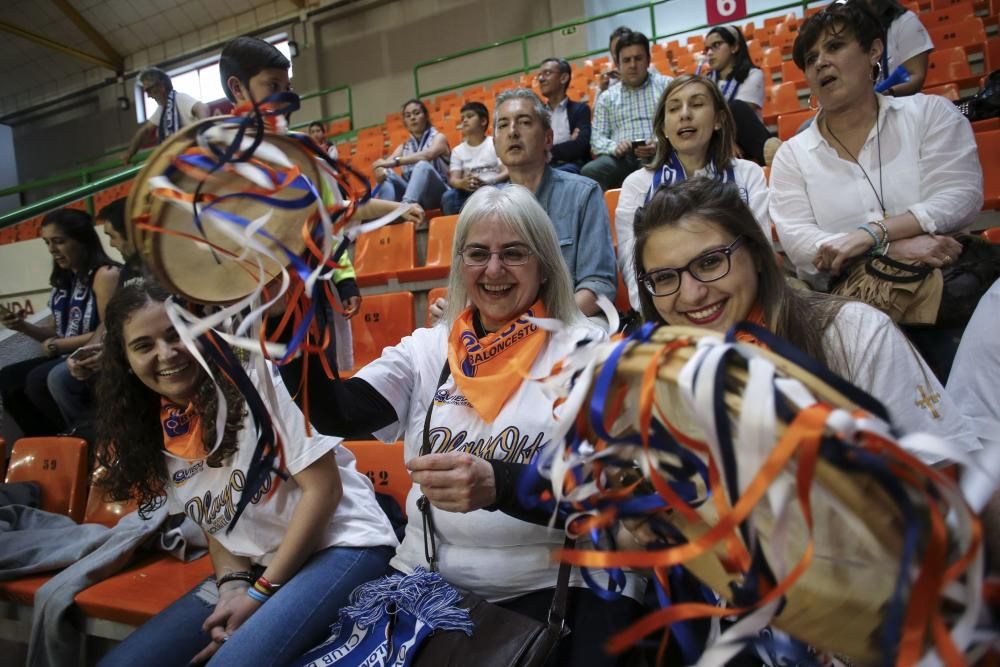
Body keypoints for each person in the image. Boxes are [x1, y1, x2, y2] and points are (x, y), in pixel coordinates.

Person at [278, 185, 645, 666]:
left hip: (558, 584)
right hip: (428, 581)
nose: (493, 270)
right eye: (477, 254)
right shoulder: (430, 348)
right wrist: (289, 321)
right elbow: (338, 412)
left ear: (544, 263)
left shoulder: (589, 352)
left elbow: (620, 495)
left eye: (513, 253)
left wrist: (501, 484)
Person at [93, 282, 397, 667]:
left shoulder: (261, 379)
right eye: (143, 345)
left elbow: (324, 490)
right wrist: (232, 589)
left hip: (342, 545)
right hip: (257, 568)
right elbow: (217, 523)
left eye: (177, 335)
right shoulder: (151, 427)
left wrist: (259, 594)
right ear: (125, 360)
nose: (166, 354)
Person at [632, 177, 979, 462]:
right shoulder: (652, 379)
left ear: (755, 253)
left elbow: (943, 479)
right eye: (664, 278)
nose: (692, 294)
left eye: (710, 262)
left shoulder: (853, 333)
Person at [769, 0, 981, 293]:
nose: (820, 62)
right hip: (850, 299)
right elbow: (800, 244)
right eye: (810, 58)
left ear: (873, 51)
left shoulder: (932, 113)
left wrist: (873, 234)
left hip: (944, 281)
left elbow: (959, 198)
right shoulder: (792, 156)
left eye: (834, 47)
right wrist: (891, 249)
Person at [220, 35, 364, 340]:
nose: (285, 98)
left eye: (287, 88)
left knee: (321, 382)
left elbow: (331, 220)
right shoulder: (217, 161)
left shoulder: (306, 153)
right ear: (237, 88)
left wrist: (344, 278)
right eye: (272, 86)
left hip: (313, 298)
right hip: (254, 305)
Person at [616, 74, 769, 312]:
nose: (685, 114)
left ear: (718, 120)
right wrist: (655, 319)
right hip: (671, 313)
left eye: (697, 104)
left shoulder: (748, 174)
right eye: (674, 108)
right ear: (664, 127)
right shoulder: (636, 186)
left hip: (743, 304)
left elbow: (762, 252)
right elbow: (633, 268)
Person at [0, 208, 119, 437]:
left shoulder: (106, 274)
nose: (52, 250)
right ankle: (46, 442)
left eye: (59, 241)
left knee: (45, 379)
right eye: (47, 243)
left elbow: (106, 328)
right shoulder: (64, 280)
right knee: (8, 378)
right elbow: (56, 332)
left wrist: (57, 346)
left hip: (94, 353)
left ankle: (81, 438)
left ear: (82, 241)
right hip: (64, 355)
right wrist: (22, 326)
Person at [583, 30, 671, 190]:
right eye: (626, 60)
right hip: (620, 158)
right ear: (618, 64)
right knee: (589, 171)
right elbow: (596, 139)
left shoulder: (666, 86)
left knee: (651, 167)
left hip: (657, 153)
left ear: (648, 60)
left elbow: (677, 126)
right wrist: (614, 147)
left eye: (638, 58)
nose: (632, 65)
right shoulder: (607, 97)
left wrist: (659, 143)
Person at [703, 25, 780, 165]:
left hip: (745, 138)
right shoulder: (706, 81)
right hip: (717, 139)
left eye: (716, 45)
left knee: (737, 107)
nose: (709, 53)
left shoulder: (753, 74)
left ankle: (780, 162)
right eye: (707, 49)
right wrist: (725, 142)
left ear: (734, 47)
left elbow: (741, 113)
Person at [372, 99, 451, 216]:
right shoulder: (403, 147)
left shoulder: (439, 138)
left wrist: (398, 161)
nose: (412, 118)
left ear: (426, 116)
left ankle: (405, 208)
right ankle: (384, 216)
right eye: (408, 116)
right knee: (387, 173)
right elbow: (386, 165)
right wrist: (379, 170)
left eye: (416, 113)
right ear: (405, 122)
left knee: (422, 165)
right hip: (416, 196)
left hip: (438, 194)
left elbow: (428, 155)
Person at [123, 68, 209, 164]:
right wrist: (130, 152)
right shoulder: (162, 109)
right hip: (181, 158)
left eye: (148, 90)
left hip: (194, 156)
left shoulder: (179, 99)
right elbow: (145, 131)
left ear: (161, 86)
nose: (148, 96)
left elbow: (202, 108)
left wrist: (203, 133)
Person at [441, 101, 507, 215]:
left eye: (470, 116)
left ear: (483, 121)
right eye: (462, 119)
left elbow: (507, 171)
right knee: (448, 197)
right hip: (469, 191)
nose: (465, 121)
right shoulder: (457, 151)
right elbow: (453, 180)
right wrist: (462, 183)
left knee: (506, 188)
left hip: (494, 186)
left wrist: (488, 182)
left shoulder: (494, 142)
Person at [865, 0, 934, 97]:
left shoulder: (905, 21)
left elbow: (916, 76)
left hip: (902, 103)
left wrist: (888, 93)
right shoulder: (860, 31)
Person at [537, 57, 592, 173]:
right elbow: (534, 147)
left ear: (564, 78)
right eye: (539, 75)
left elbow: (580, 146)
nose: (541, 79)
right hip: (543, 167)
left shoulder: (581, 110)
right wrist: (568, 143)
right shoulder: (537, 114)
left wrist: (547, 152)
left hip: (571, 166)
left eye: (547, 73)